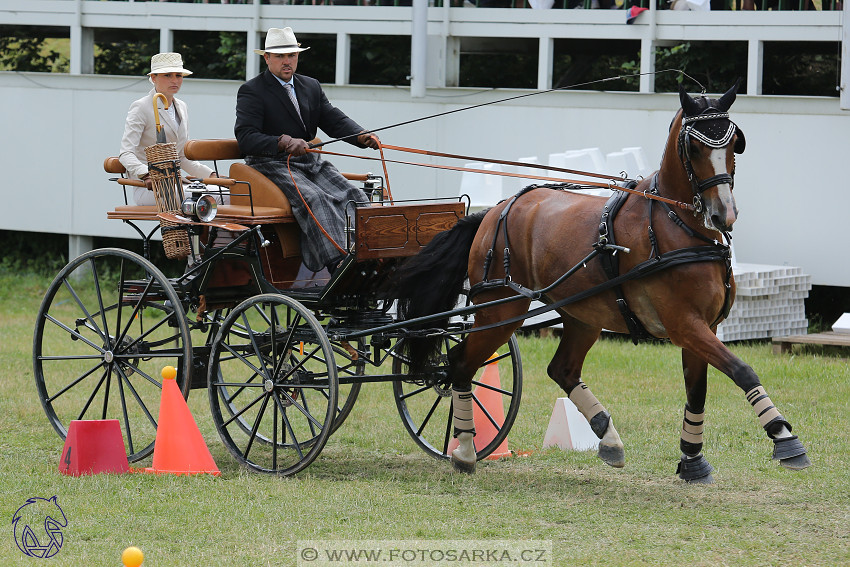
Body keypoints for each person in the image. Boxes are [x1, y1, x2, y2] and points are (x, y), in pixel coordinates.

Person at [234, 27, 381, 274]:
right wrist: (283, 142)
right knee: (315, 198)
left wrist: (361, 135)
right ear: (267, 58)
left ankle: (368, 255)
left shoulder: (310, 86)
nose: (287, 61)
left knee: (355, 195)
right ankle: (338, 264)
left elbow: (333, 119)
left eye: (291, 55)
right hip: (270, 164)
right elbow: (246, 137)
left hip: (310, 161)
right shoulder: (252, 90)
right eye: (280, 56)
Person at [119, 52, 217, 206]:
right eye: (167, 75)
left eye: (179, 75)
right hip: (149, 189)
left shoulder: (182, 107)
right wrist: (146, 175)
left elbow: (182, 156)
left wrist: (212, 175)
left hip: (177, 185)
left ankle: (219, 231)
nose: (175, 80)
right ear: (153, 78)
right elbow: (125, 154)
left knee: (226, 194)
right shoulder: (141, 107)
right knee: (214, 198)